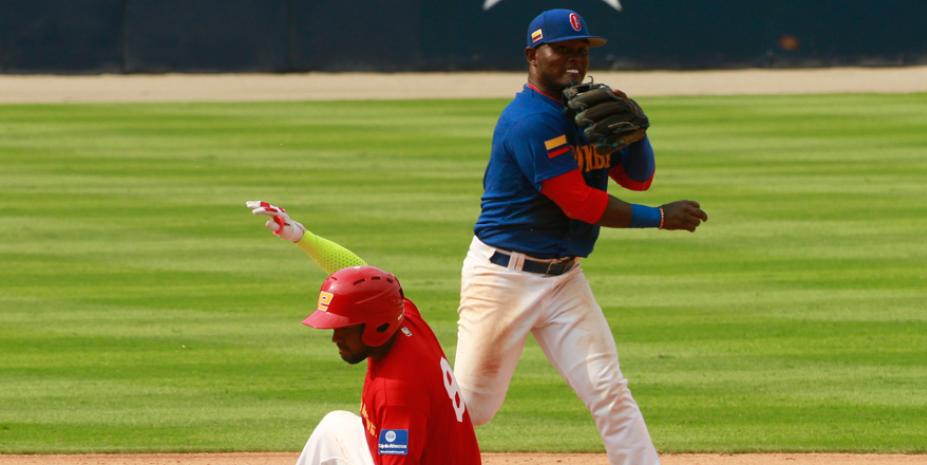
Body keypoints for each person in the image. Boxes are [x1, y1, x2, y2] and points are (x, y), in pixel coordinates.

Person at [453, 9, 708, 465]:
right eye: (562, 50)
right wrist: (660, 218)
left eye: (581, 51)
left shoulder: (587, 108)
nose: (575, 59)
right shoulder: (529, 121)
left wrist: (636, 136)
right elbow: (579, 203)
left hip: (564, 279)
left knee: (608, 389)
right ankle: (383, 445)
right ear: (533, 55)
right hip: (502, 279)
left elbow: (638, 179)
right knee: (472, 408)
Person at [245, 201, 481, 465]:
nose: (335, 337)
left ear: (375, 326)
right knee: (333, 428)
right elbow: (362, 277)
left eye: (343, 328)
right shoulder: (403, 317)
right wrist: (301, 236)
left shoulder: (396, 392)